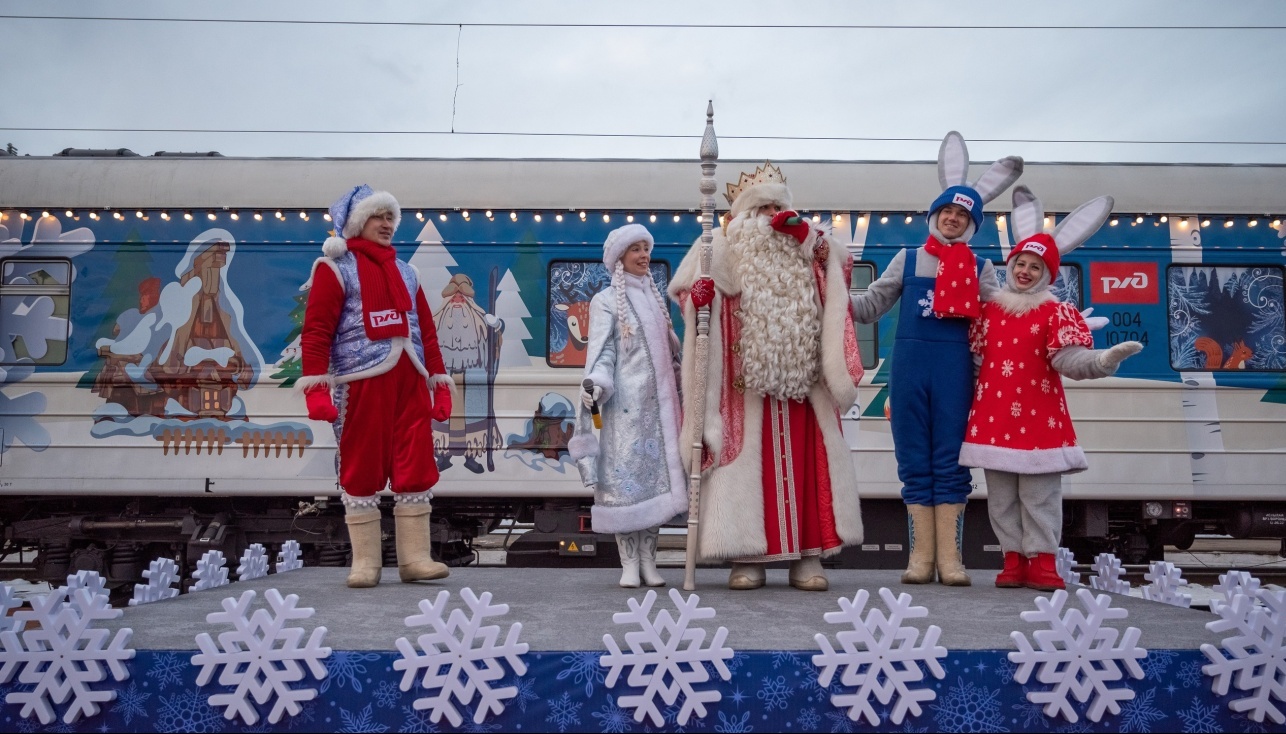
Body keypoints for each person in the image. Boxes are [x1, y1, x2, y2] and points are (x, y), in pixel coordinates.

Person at [669, 162, 865, 591]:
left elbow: (838, 277)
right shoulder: (720, 245)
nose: (772, 215)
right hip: (743, 387)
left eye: (779, 206)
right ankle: (747, 559)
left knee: (808, 469)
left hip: (802, 385)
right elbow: (691, 292)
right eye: (763, 208)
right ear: (742, 215)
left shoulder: (809, 247)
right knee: (744, 466)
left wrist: (807, 242)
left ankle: (808, 558)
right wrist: (699, 299)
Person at [849, 132, 1022, 587]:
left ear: (972, 224)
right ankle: (920, 558)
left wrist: (1046, 312)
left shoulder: (982, 268)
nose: (951, 219)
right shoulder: (906, 260)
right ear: (934, 216)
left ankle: (952, 561)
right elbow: (868, 307)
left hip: (955, 374)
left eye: (961, 214)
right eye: (946, 211)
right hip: (908, 374)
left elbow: (1001, 320)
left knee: (952, 463)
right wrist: (828, 295)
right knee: (912, 462)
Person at [960, 186, 1142, 590]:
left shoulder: (1055, 313)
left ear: (1047, 275)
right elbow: (974, 364)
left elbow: (1068, 360)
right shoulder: (988, 313)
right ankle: (1013, 560)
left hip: (1039, 420)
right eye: (1020, 263)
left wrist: (1102, 361)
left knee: (1040, 496)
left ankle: (1042, 561)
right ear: (1011, 264)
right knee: (1002, 499)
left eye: (1035, 267)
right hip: (993, 419)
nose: (1025, 271)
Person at [298, 185, 455, 588]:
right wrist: (316, 387)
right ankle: (366, 563)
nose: (386, 224)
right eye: (377, 217)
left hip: (410, 379)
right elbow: (317, 332)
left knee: (416, 465)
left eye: (390, 218)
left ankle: (415, 559)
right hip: (362, 381)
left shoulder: (408, 272)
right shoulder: (334, 269)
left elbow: (426, 332)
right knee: (360, 465)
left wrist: (439, 382)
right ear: (356, 223)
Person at [568, 224, 688, 588]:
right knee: (625, 487)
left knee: (655, 486)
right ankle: (629, 564)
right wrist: (598, 383)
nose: (643, 255)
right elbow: (602, 351)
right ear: (619, 258)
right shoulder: (605, 301)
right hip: (622, 412)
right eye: (635, 249)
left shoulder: (655, 300)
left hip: (659, 414)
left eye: (645, 248)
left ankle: (649, 562)